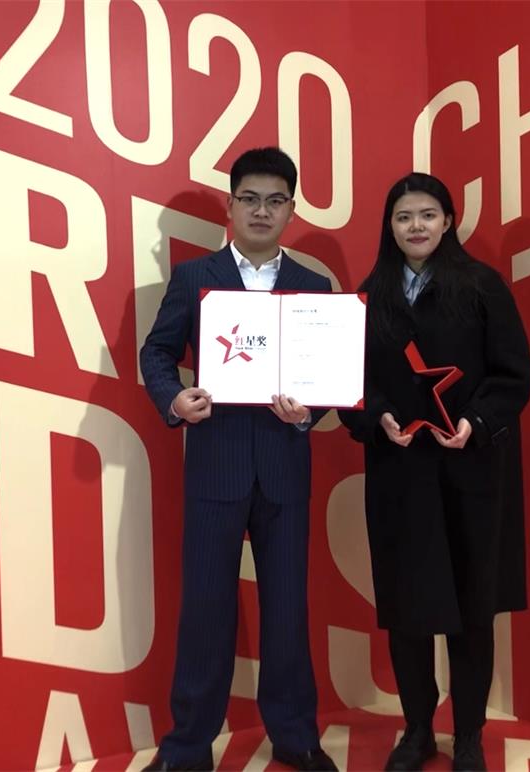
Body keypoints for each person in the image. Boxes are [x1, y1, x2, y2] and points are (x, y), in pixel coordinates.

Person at [140, 147, 337, 772]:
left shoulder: (314, 286)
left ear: (291, 210)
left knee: (288, 612)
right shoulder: (193, 278)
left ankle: (297, 738)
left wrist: (306, 413)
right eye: (249, 199)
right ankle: (187, 747)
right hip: (215, 467)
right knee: (204, 612)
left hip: (284, 468)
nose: (261, 211)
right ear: (230, 206)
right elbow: (156, 353)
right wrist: (175, 400)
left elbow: (327, 377)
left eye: (275, 201)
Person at [339, 173, 530, 772]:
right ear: (389, 226)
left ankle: (468, 733)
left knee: (473, 608)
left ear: (448, 220)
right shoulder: (369, 296)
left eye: (427, 214)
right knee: (408, 607)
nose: (416, 226)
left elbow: (514, 374)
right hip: (400, 471)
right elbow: (351, 383)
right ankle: (418, 730)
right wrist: (377, 417)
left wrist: (476, 421)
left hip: (471, 470)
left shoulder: (481, 286)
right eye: (404, 217)